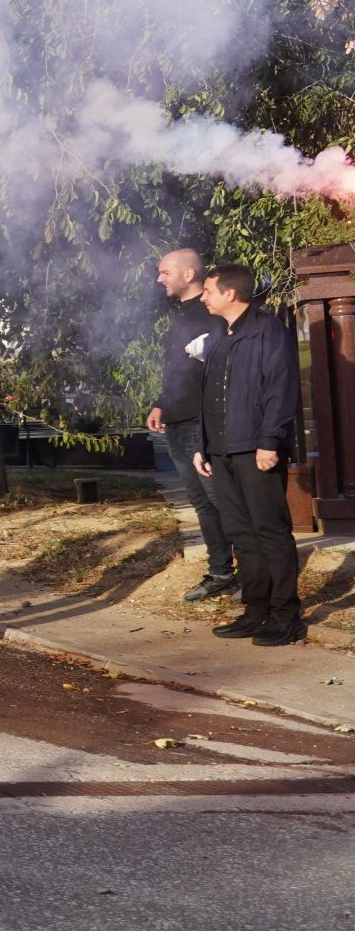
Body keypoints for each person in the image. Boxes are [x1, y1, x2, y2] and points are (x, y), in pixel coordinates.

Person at [193, 265, 305, 646]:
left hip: (256, 448)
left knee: (270, 531)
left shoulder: (267, 329)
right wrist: (202, 445)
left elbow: (281, 387)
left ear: (230, 294)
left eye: (208, 290)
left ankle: (287, 617)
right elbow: (208, 397)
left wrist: (270, 441)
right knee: (241, 533)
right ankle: (255, 611)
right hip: (221, 450)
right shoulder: (217, 336)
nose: (203, 296)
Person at [148, 249, 236, 603]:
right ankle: (221, 573)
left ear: (188, 274)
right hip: (177, 420)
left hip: (202, 423)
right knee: (200, 502)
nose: (159, 278)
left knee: (221, 499)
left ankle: (257, 573)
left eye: (164, 271)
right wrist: (161, 403)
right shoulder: (182, 315)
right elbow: (178, 368)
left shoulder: (212, 313)